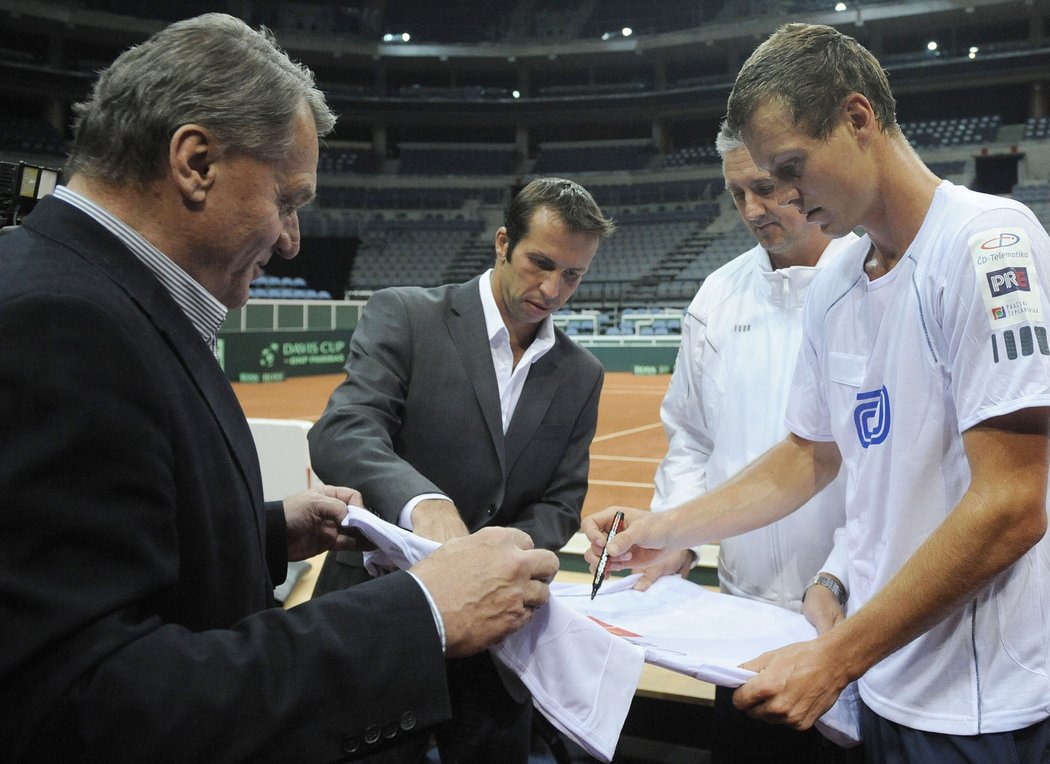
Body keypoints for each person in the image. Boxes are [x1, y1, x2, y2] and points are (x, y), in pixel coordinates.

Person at [0, 14, 559, 763]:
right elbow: (83, 700)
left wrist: (259, 531)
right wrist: (422, 612)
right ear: (195, 162)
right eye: (287, 200)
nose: (293, 238)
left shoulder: (75, 289)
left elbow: (96, 558)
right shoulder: (65, 323)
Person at [584, 22, 1050, 762]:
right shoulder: (838, 278)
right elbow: (806, 456)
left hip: (979, 704)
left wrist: (835, 658)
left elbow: (1013, 507)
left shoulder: (990, 244)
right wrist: (664, 529)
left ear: (859, 120)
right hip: (882, 680)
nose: (787, 200)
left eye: (790, 168)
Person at [308, 176, 615, 763]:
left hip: (499, 641)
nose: (553, 289)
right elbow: (344, 430)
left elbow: (561, 501)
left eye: (573, 275)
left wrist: (497, 558)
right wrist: (426, 505)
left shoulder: (582, 374)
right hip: (381, 612)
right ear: (503, 242)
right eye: (540, 263)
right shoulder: (405, 314)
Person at [639, 123, 858, 763]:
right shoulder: (716, 295)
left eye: (765, 188)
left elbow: (891, 469)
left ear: (805, 174)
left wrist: (841, 579)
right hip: (739, 626)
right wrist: (670, 538)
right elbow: (690, 437)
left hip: (853, 623)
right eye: (737, 194)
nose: (751, 210)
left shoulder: (873, 282)